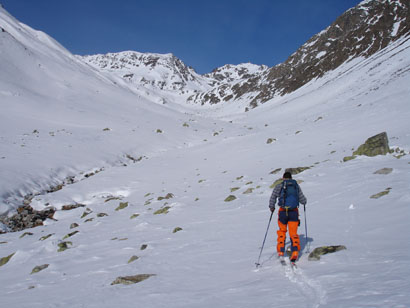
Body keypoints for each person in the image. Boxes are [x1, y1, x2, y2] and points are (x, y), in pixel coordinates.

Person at [269, 171, 307, 262]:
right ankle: (295, 253)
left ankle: (281, 252)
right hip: (294, 212)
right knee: (293, 233)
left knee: (282, 232)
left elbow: (273, 196)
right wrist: (304, 202)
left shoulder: (279, 186)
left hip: (282, 212)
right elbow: (302, 199)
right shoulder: (295, 186)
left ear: (283, 178)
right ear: (291, 177)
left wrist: (272, 207)